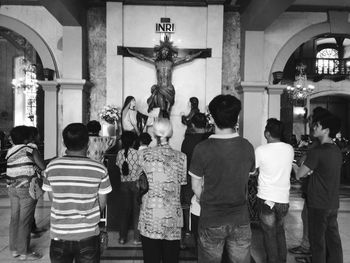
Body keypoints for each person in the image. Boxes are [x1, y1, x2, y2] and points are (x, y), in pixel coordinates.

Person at [190, 95, 255, 263]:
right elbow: (245, 180)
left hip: (212, 218)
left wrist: (206, 200)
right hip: (240, 218)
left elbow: (196, 186)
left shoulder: (202, 148)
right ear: (236, 117)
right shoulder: (247, 146)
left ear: (211, 118)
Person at [42, 123, 112, 263]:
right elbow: (102, 203)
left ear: (63, 142)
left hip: (59, 233)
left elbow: (53, 198)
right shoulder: (100, 169)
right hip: (88, 235)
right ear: (87, 143)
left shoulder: (51, 167)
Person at [138, 118, 187, 263]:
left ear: (154, 133)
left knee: (150, 257)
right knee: (171, 258)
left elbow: (139, 182)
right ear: (170, 133)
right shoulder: (181, 157)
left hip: (151, 214)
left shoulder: (143, 155)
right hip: (172, 215)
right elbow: (181, 184)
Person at [296, 113, 343, 263]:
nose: (314, 127)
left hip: (318, 202)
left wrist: (295, 166)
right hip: (332, 202)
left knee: (317, 242)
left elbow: (299, 175)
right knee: (333, 240)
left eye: (317, 125)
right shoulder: (336, 150)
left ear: (326, 130)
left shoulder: (317, 152)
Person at [289, 107, 331, 259]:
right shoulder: (321, 146)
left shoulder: (321, 147)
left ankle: (308, 246)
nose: (312, 124)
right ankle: (311, 247)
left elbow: (300, 172)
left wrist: (296, 165)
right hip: (319, 193)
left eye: (314, 122)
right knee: (313, 221)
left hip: (317, 194)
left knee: (314, 224)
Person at [127, 36, 202, 117]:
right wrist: (131, 53)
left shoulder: (172, 62)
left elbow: (186, 58)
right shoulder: (156, 62)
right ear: (160, 51)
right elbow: (143, 57)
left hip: (169, 89)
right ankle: (162, 124)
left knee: (168, 111)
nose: (165, 52)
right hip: (160, 88)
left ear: (169, 52)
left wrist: (197, 54)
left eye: (167, 50)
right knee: (163, 109)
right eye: (163, 50)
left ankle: (165, 125)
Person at [255, 118, 294, 263]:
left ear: (267, 134)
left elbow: (252, 170)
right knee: (279, 232)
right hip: (283, 199)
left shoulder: (261, 150)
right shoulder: (289, 149)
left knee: (269, 235)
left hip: (266, 198)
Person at [6, 125, 45, 261]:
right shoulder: (30, 149)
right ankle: (24, 251)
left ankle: (14, 249)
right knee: (25, 220)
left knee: (14, 218)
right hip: (27, 188)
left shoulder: (10, 151)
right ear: (27, 138)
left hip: (12, 187)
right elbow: (42, 166)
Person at [180, 112, 211, 238]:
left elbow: (184, 159)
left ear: (192, 124)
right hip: (208, 177)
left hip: (190, 175)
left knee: (188, 204)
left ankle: (188, 230)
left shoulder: (188, 140)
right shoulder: (210, 139)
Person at [116, 131, 142, 245]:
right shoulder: (137, 153)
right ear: (134, 141)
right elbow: (141, 168)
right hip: (136, 184)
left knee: (124, 212)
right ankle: (137, 238)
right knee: (137, 212)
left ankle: (122, 238)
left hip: (124, 184)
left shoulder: (119, 153)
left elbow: (118, 165)